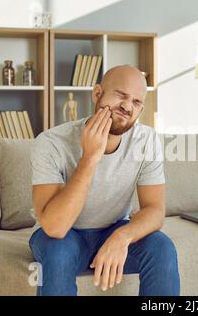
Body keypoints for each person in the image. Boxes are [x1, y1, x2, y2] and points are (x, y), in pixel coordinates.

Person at [29, 65, 180, 296]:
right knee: (58, 253)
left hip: (113, 229)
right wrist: (90, 157)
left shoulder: (147, 140)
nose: (127, 106)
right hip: (62, 236)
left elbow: (155, 210)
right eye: (121, 95)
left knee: (162, 248)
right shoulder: (50, 143)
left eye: (137, 102)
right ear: (97, 93)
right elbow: (55, 227)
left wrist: (122, 237)